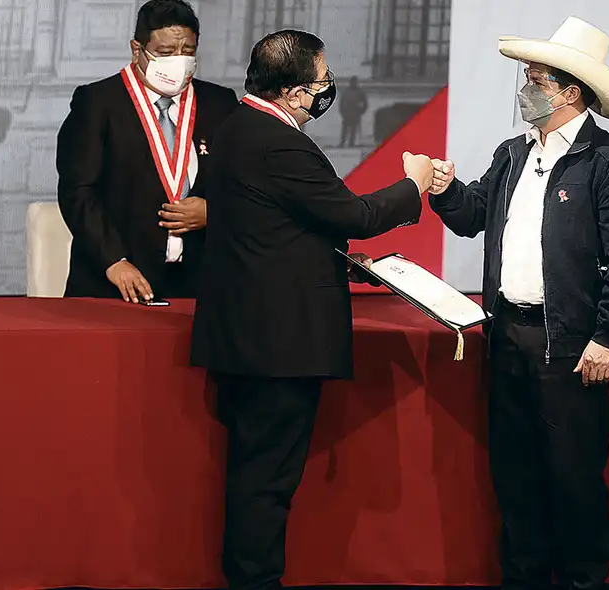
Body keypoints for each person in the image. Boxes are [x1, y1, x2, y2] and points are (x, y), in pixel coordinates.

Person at [189, 30, 433, 590]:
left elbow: (272, 227)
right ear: (297, 91)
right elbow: (353, 215)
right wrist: (412, 185)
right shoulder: (280, 143)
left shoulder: (232, 131)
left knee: (254, 476)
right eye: (322, 80)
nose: (327, 89)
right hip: (278, 344)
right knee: (267, 483)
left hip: (242, 335)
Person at [427, 17, 609, 590]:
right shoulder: (511, 153)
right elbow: (473, 216)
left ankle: (581, 580)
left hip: (570, 344)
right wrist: (445, 188)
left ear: (568, 90)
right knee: (516, 474)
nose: (524, 90)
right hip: (508, 337)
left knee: (573, 477)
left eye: (534, 80)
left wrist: (607, 336)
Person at [56, 0, 237, 302]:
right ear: (137, 49)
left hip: (200, 286)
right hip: (115, 282)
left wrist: (216, 212)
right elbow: (78, 192)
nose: (179, 61)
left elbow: (248, 184)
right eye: (166, 53)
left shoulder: (220, 104)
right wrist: (114, 261)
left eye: (188, 52)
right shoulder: (98, 103)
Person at [338, 75, 368, 147]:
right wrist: (342, 112)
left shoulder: (360, 92)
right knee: (345, 129)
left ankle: (351, 143)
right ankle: (342, 142)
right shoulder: (346, 91)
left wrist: (362, 111)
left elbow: (365, 103)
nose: (353, 83)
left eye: (354, 82)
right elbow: (341, 102)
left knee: (353, 129)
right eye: (352, 82)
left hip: (355, 112)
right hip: (347, 112)